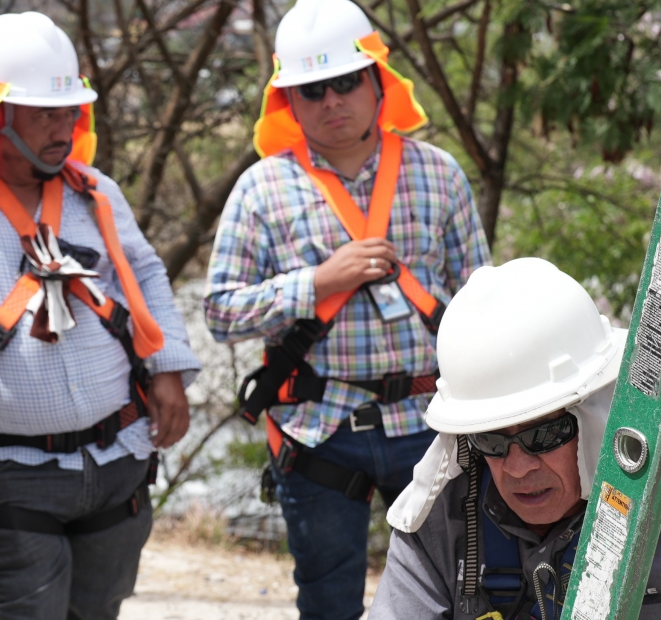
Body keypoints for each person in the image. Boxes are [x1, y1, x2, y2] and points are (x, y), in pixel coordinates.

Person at [203, 0, 490, 617]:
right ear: (288, 102)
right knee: (328, 600)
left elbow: (479, 303)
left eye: (345, 82)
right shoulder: (262, 188)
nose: (332, 101)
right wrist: (316, 283)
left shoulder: (438, 175)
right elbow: (220, 312)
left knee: (463, 591)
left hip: (431, 420)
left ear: (376, 81)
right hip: (320, 432)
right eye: (311, 90)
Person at [371, 258, 661, 619]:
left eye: (544, 434)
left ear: (596, 415)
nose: (516, 467)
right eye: (491, 442)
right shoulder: (444, 520)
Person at [0, 11, 200, 619]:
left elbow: (145, 274)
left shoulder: (95, 191)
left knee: (97, 612)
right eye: (46, 113)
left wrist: (168, 368)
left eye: (69, 112)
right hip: (7, 468)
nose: (64, 127)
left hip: (118, 457)